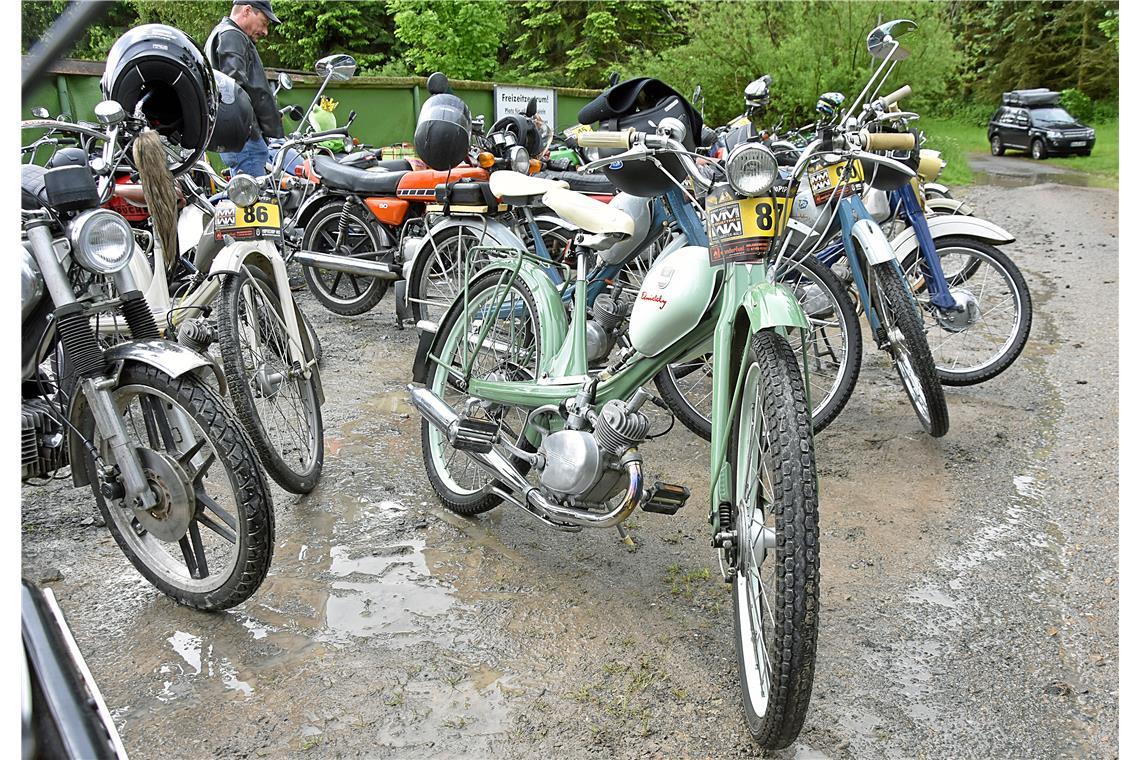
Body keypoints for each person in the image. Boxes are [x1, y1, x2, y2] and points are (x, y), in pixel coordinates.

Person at [205, 0, 283, 176]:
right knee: (255, 200)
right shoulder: (232, 35)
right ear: (247, 11)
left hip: (238, 136)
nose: (265, 31)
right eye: (264, 22)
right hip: (245, 139)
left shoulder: (222, 33)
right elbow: (235, 89)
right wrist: (256, 130)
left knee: (244, 194)